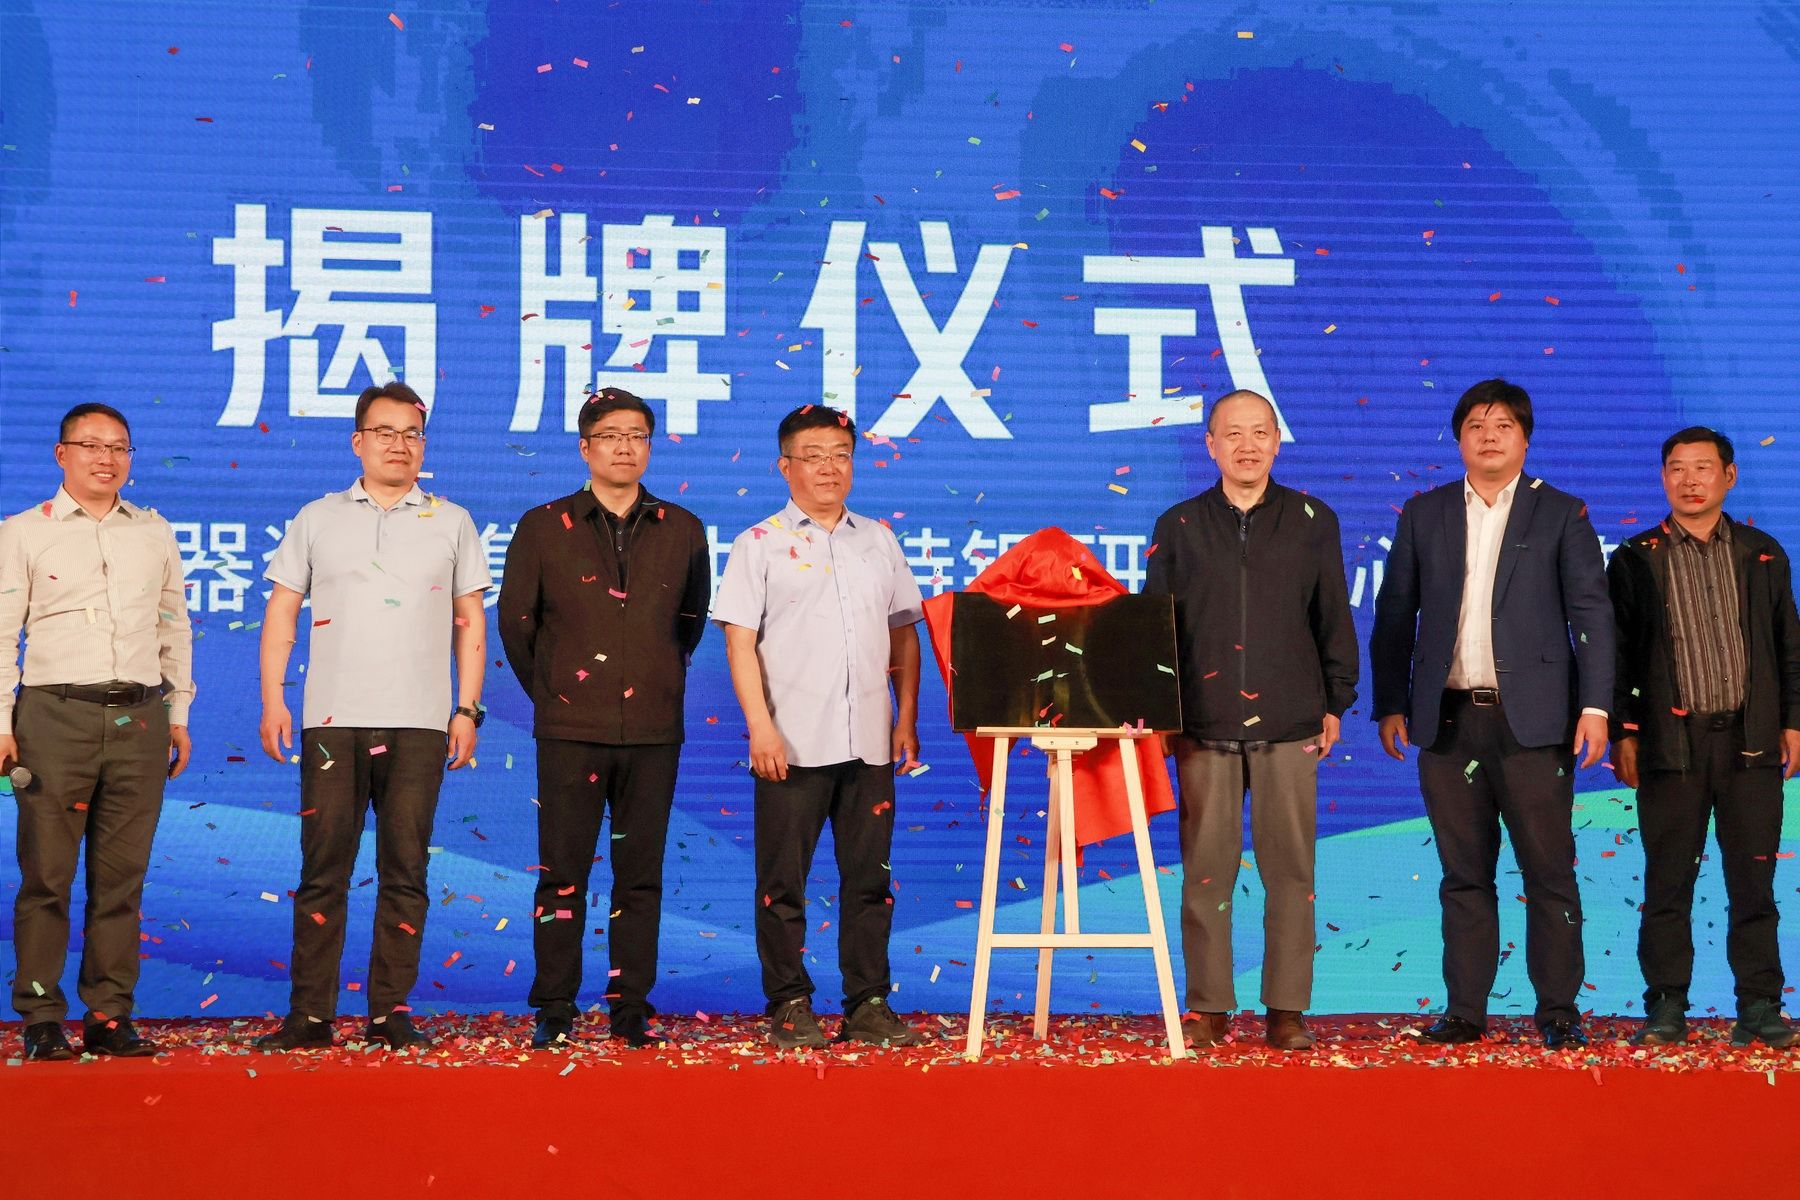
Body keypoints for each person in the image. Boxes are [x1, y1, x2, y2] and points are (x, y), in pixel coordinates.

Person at [1371, 378, 1613, 1049]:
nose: (1488, 437)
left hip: (1534, 722)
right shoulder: (1425, 513)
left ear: (1525, 439)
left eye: (1503, 425)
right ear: (1458, 439)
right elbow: (1395, 615)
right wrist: (1391, 703)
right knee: (1463, 875)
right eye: (1476, 425)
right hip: (1447, 719)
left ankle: (1559, 1010)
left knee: (1549, 872)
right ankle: (1465, 1012)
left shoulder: (1560, 513)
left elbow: (1592, 615)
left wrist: (1595, 707)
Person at [253, 382, 490, 1052]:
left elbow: (470, 621)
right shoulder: (317, 517)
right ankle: (310, 1014)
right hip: (332, 719)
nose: (399, 445)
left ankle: (390, 1010)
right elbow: (281, 611)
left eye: (412, 434)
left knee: (405, 869)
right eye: (385, 432)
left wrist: (466, 708)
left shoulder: (452, 520)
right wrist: (273, 697)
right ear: (358, 442)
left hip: (420, 720)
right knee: (322, 868)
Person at [1145, 390, 1358, 1052]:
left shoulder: (1312, 520)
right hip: (1202, 727)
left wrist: (1335, 700)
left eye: (1259, 432)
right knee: (1206, 872)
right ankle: (1209, 1006)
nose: (1247, 445)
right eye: (1232, 434)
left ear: (1276, 441)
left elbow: (1333, 615)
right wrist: (1162, 713)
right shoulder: (1179, 525)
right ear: (1210, 444)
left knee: (1290, 875)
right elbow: (1157, 629)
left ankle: (1286, 1009)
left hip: (1292, 724)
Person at [498, 388, 710, 1051]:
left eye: (637, 435)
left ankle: (630, 1005)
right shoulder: (543, 526)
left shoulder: (682, 528)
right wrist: (558, 694)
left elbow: (690, 622)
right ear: (585, 448)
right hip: (570, 729)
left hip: (653, 729)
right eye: (611, 435)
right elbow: (517, 625)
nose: (625, 447)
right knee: (562, 873)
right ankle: (554, 1006)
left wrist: (651, 676)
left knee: (639, 877)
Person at [713, 404, 927, 1050]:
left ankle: (868, 1002)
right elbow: (739, 643)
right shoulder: (757, 544)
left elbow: (904, 633)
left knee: (870, 881)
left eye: (841, 454)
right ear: (786, 467)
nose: (829, 468)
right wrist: (760, 728)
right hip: (791, 742)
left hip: (870, 742)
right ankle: (788, 1002)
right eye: (813, 456)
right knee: (783, 884)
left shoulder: (878, 540)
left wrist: (906, 717)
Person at [0, 404, 194, 1061]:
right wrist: (2, 722)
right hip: (54, 716)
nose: (106, 459)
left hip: (140, 717)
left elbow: (174, 626)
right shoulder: (23, 532)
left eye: (119, 447)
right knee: (46, 877)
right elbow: (2, 634)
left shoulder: (154, 532)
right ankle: (40, 1017)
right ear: (62, 454)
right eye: (91, 445)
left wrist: (178, 713)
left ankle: (110, 1014)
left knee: (122, 879)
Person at [1608, 427, 1800, 1048]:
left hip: (1751, 742)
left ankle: (1760, 1006)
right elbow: (1616, 654)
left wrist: (1793, 722)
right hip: (1670, 746)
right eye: (1676, 468)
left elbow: (1788, 647)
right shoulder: (1635, 557)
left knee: (1754, 884)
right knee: (1668, 883)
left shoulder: (1762, 553)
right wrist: (1623, 732)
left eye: (1702, 467)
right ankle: (1666, 1006)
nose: (1689, 480)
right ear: (1663, 478)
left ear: (1729, 476)